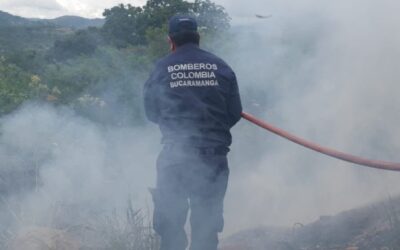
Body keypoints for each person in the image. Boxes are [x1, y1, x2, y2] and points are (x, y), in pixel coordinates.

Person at [143, 14, 242, 250]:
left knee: (171, 229)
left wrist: (176, 126)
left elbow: (151, 113)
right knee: (206, 230)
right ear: (198, 37)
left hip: (175, 158)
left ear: (170, 40)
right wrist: (211, 131)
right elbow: (234, 113)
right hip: (213, 158)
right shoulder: (221, 67)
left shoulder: (161, 68)